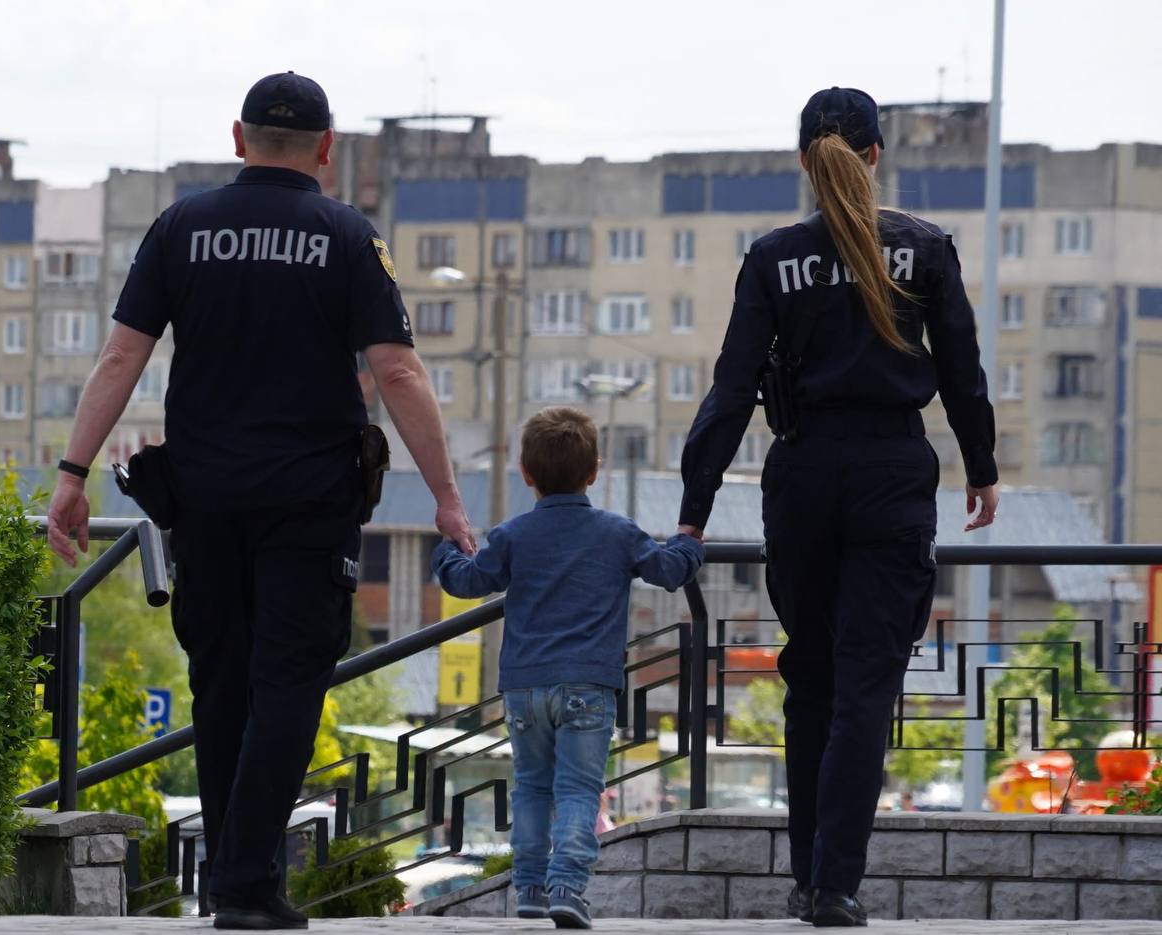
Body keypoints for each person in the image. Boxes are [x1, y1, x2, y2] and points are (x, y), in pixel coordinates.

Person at [45, 71, 475, 931]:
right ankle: (244, 882)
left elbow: (121, 357)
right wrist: (446, 496)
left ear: (238, 138)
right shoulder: (347, 235)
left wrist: (72, 473)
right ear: (327, 148)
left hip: (202, 499)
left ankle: (236, 879)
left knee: (221, 684)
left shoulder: (182, 227)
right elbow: (397, 370)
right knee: (289, 681)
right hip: (309, 502)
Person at [677, 87, 999, 928]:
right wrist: (982, 468)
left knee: (811, 679)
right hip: (893, 474)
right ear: (876, 154)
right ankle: (835, 886)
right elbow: (962, 372)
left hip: (802, 476)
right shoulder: (926, 248)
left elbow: (731, 388)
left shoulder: (772, 256)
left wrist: (694, 505)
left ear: (802, 161)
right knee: (865, 684)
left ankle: (805, 875)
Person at [432, 406, 702, 929]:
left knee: (532, 786)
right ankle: (567, 887)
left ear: (526, 473)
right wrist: (689, 541)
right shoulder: (617, 532)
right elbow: (668, 571)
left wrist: (446, 550)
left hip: (525, 686)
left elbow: (467, 581)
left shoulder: (512, 535)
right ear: (594, 471)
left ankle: (530, 888)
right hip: (589, 683)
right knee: (579, 789)